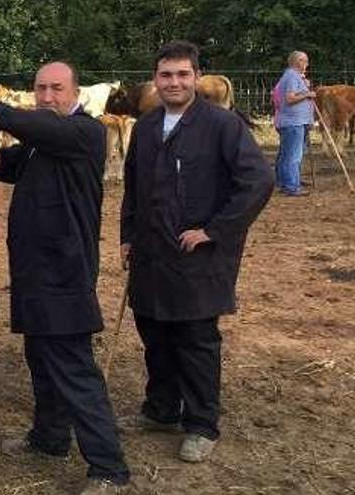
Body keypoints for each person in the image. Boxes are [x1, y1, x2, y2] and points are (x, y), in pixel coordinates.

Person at [0, 61, 130, 495]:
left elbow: (26, 123)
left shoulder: (84, 133)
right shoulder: (34, 145)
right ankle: (49, 437)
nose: (47, 96)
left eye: (57, 89)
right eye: (40, 89)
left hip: (65, 273)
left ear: (76, 94)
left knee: (73, 369)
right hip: (33, 272)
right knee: (42, 362)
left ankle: (109, 468)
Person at [119, 41, 273, 464]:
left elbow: (258, 181)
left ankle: (202, 424)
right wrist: (127, 235)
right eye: (166, 75)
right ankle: (162, 409)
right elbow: (134, 187)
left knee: (195, 340)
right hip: (151, 255)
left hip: (198, 258)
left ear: (196, 78)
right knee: (155, 334)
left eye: (182, 74)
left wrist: (214, 230)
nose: (174, 82)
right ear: (155, 79)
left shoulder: (222, 125)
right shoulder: (147, 126)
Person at [273, 51, 315, 196]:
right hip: (293, 122)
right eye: (305, 61)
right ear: (298, 62)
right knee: (293, 155)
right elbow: (290, 99)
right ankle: (291, 186)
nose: (307, 65)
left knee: (288, 154)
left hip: (295, 122)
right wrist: (308, 94)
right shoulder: (291, 76)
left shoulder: (293, 76)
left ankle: (286, 182)